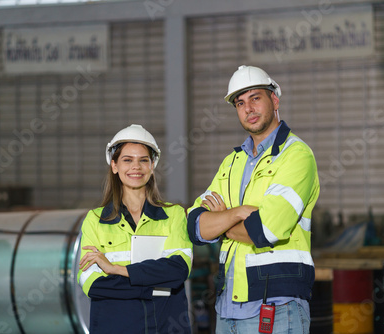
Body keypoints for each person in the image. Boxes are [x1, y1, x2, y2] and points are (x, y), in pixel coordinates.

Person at [187, 65, 320, 333]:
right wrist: (237, 214)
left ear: (274, 100)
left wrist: (222, 220)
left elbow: (266, 229)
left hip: (277, 306)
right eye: (240, 102)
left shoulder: (295, 156)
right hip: (227, 308)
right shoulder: (232, 162)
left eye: (255, 98)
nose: (248, 108)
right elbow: (195, 227)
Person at [78, 124, 193, 334]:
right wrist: (155, 287)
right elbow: (93, 285)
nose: (136, 167)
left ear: (152, 165)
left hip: (164, 326)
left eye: (143, 160)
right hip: (115, 326)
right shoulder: (95, 220)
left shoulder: (174, 215)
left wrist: (117, 270)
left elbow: (178, 271)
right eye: (127, 160)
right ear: (114, 166)